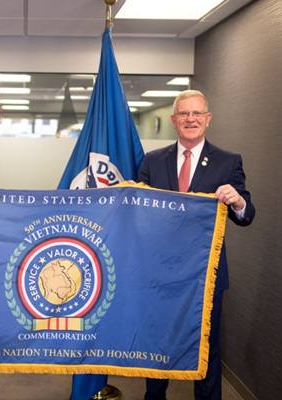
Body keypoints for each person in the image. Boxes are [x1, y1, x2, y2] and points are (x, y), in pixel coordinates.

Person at [138, 90, 255, 400]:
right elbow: (140, 216)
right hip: (160, 274)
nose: (190, 119)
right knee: (158, 341)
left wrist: (239, 201)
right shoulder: (151, 161)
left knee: (205, 347)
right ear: (175, 120)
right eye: (184, 114)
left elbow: (246, 216)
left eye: (197, 114)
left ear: (208, 119)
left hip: (206, 276)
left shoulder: (229, 162)